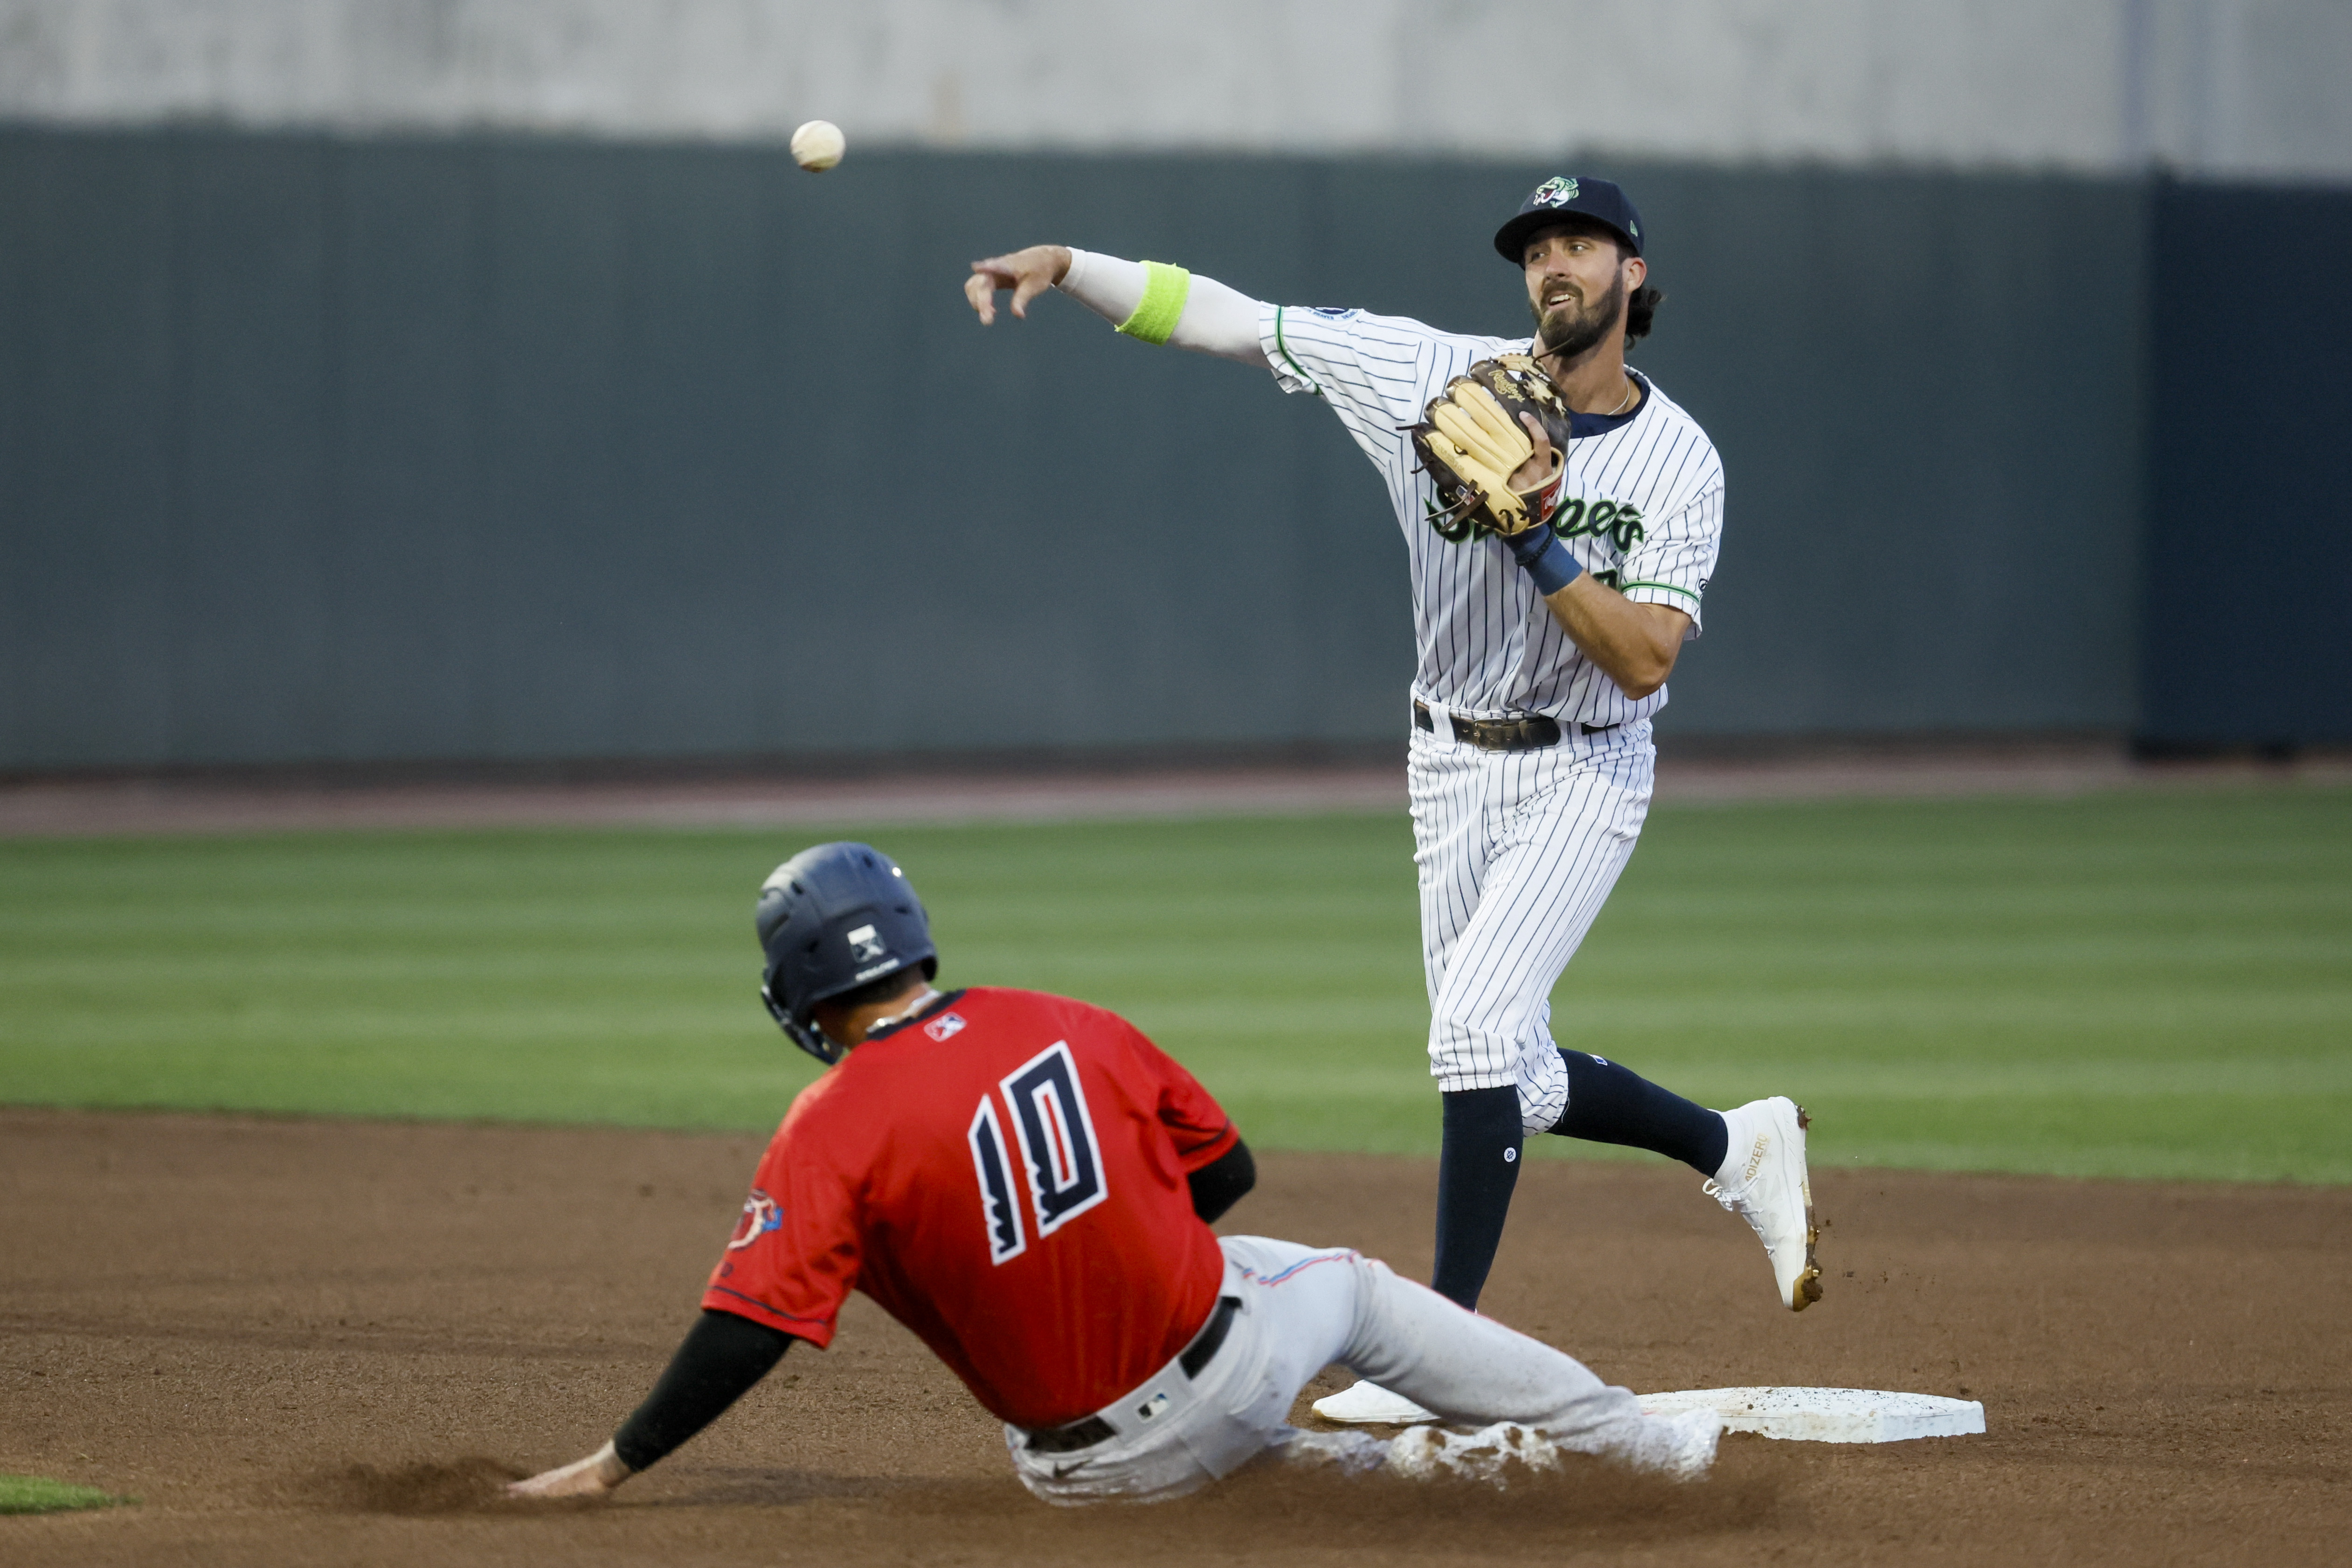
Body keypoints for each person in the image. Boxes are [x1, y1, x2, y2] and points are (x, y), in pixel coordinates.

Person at [964, 177, 1820, 1424]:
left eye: (1580, 244)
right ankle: (1734, 1147)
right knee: (1507, 1074)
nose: (1554, 267)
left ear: (1633, 274)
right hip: (1444, 760)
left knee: (1472, 1037)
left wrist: (1534, 535)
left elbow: (1640, 658)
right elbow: (1233, 318)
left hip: (1585, 761)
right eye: (1535, 251)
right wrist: (1068, 259)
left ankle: (1443, 1352)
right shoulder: (1424, 374)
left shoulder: (1679, 459)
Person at [505, 841, 1722, 1506]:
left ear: (795, 993)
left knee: (1246, 1435)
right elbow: (1227, 1167)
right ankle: (1631, 1445)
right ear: (914, 934)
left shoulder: (821, 1130)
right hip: (1228, 1364)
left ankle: (1379, 1479)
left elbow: (746, 1324)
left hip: (1088, 1478)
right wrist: (1122, 1245)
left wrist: (614, 1464)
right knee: (1342, 1286)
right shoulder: (1067, 1019)